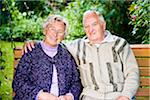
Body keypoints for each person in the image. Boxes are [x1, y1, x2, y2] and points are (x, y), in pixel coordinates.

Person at [23, 10, 139, 100]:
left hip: (118, 95)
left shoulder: (120, 44)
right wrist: (35, 43)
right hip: (91, 97)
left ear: (103, 25)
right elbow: (54, 40)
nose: (90, 30)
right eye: (86, 26)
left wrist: (126, 95)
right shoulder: (78, 46)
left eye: (94, 24)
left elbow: (132, 73)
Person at [12, 15, 82, 100]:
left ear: (64, 36)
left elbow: (76, 82)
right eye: (52, 29)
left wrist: (69, 96)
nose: (55, 34)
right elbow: (18, 82)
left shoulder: (67, 55)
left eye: (60, 31)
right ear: (45, 30)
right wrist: (39, 95)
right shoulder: (31, 51)